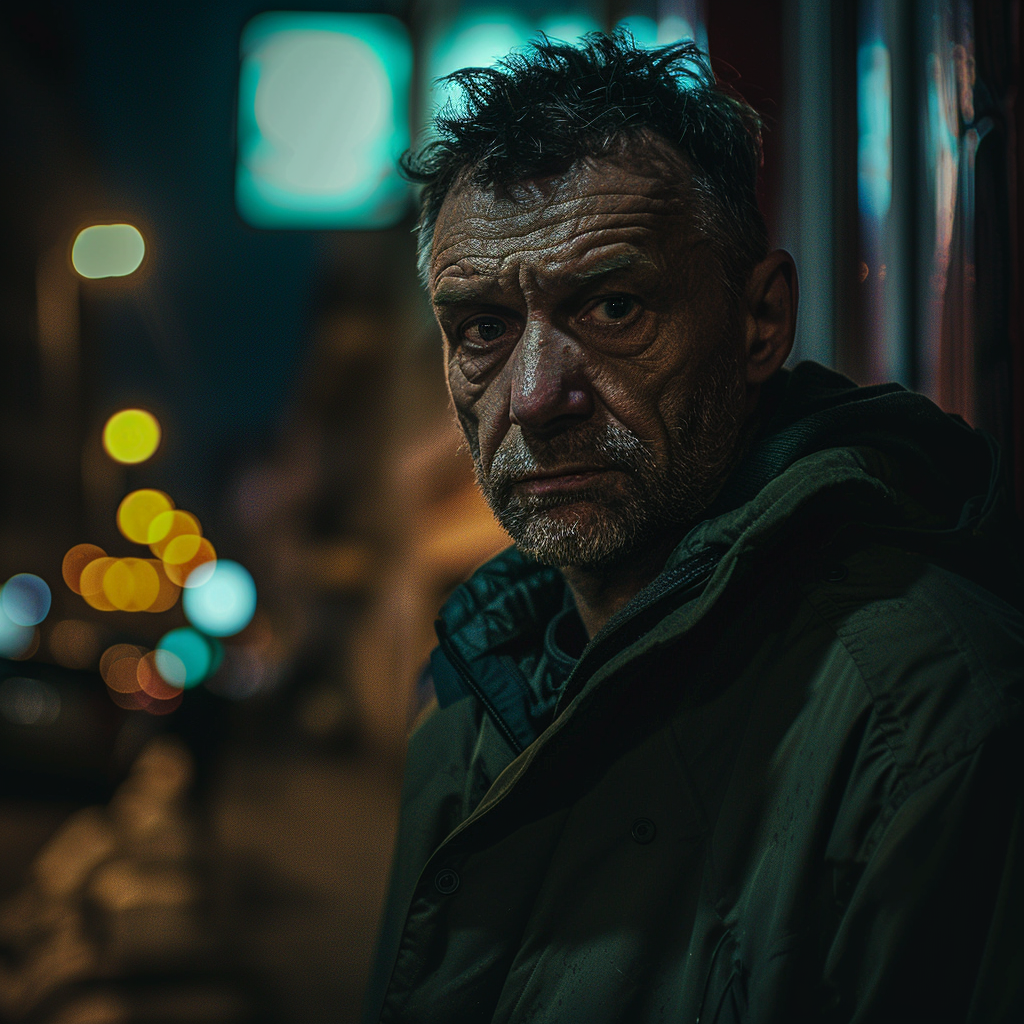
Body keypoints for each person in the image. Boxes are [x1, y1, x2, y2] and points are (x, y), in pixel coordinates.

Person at [363, 33, 1024, 1024]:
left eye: (616, 305)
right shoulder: (466, 702)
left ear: (760, 322)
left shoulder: (931, 722)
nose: (536, 397)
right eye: (483, 329)